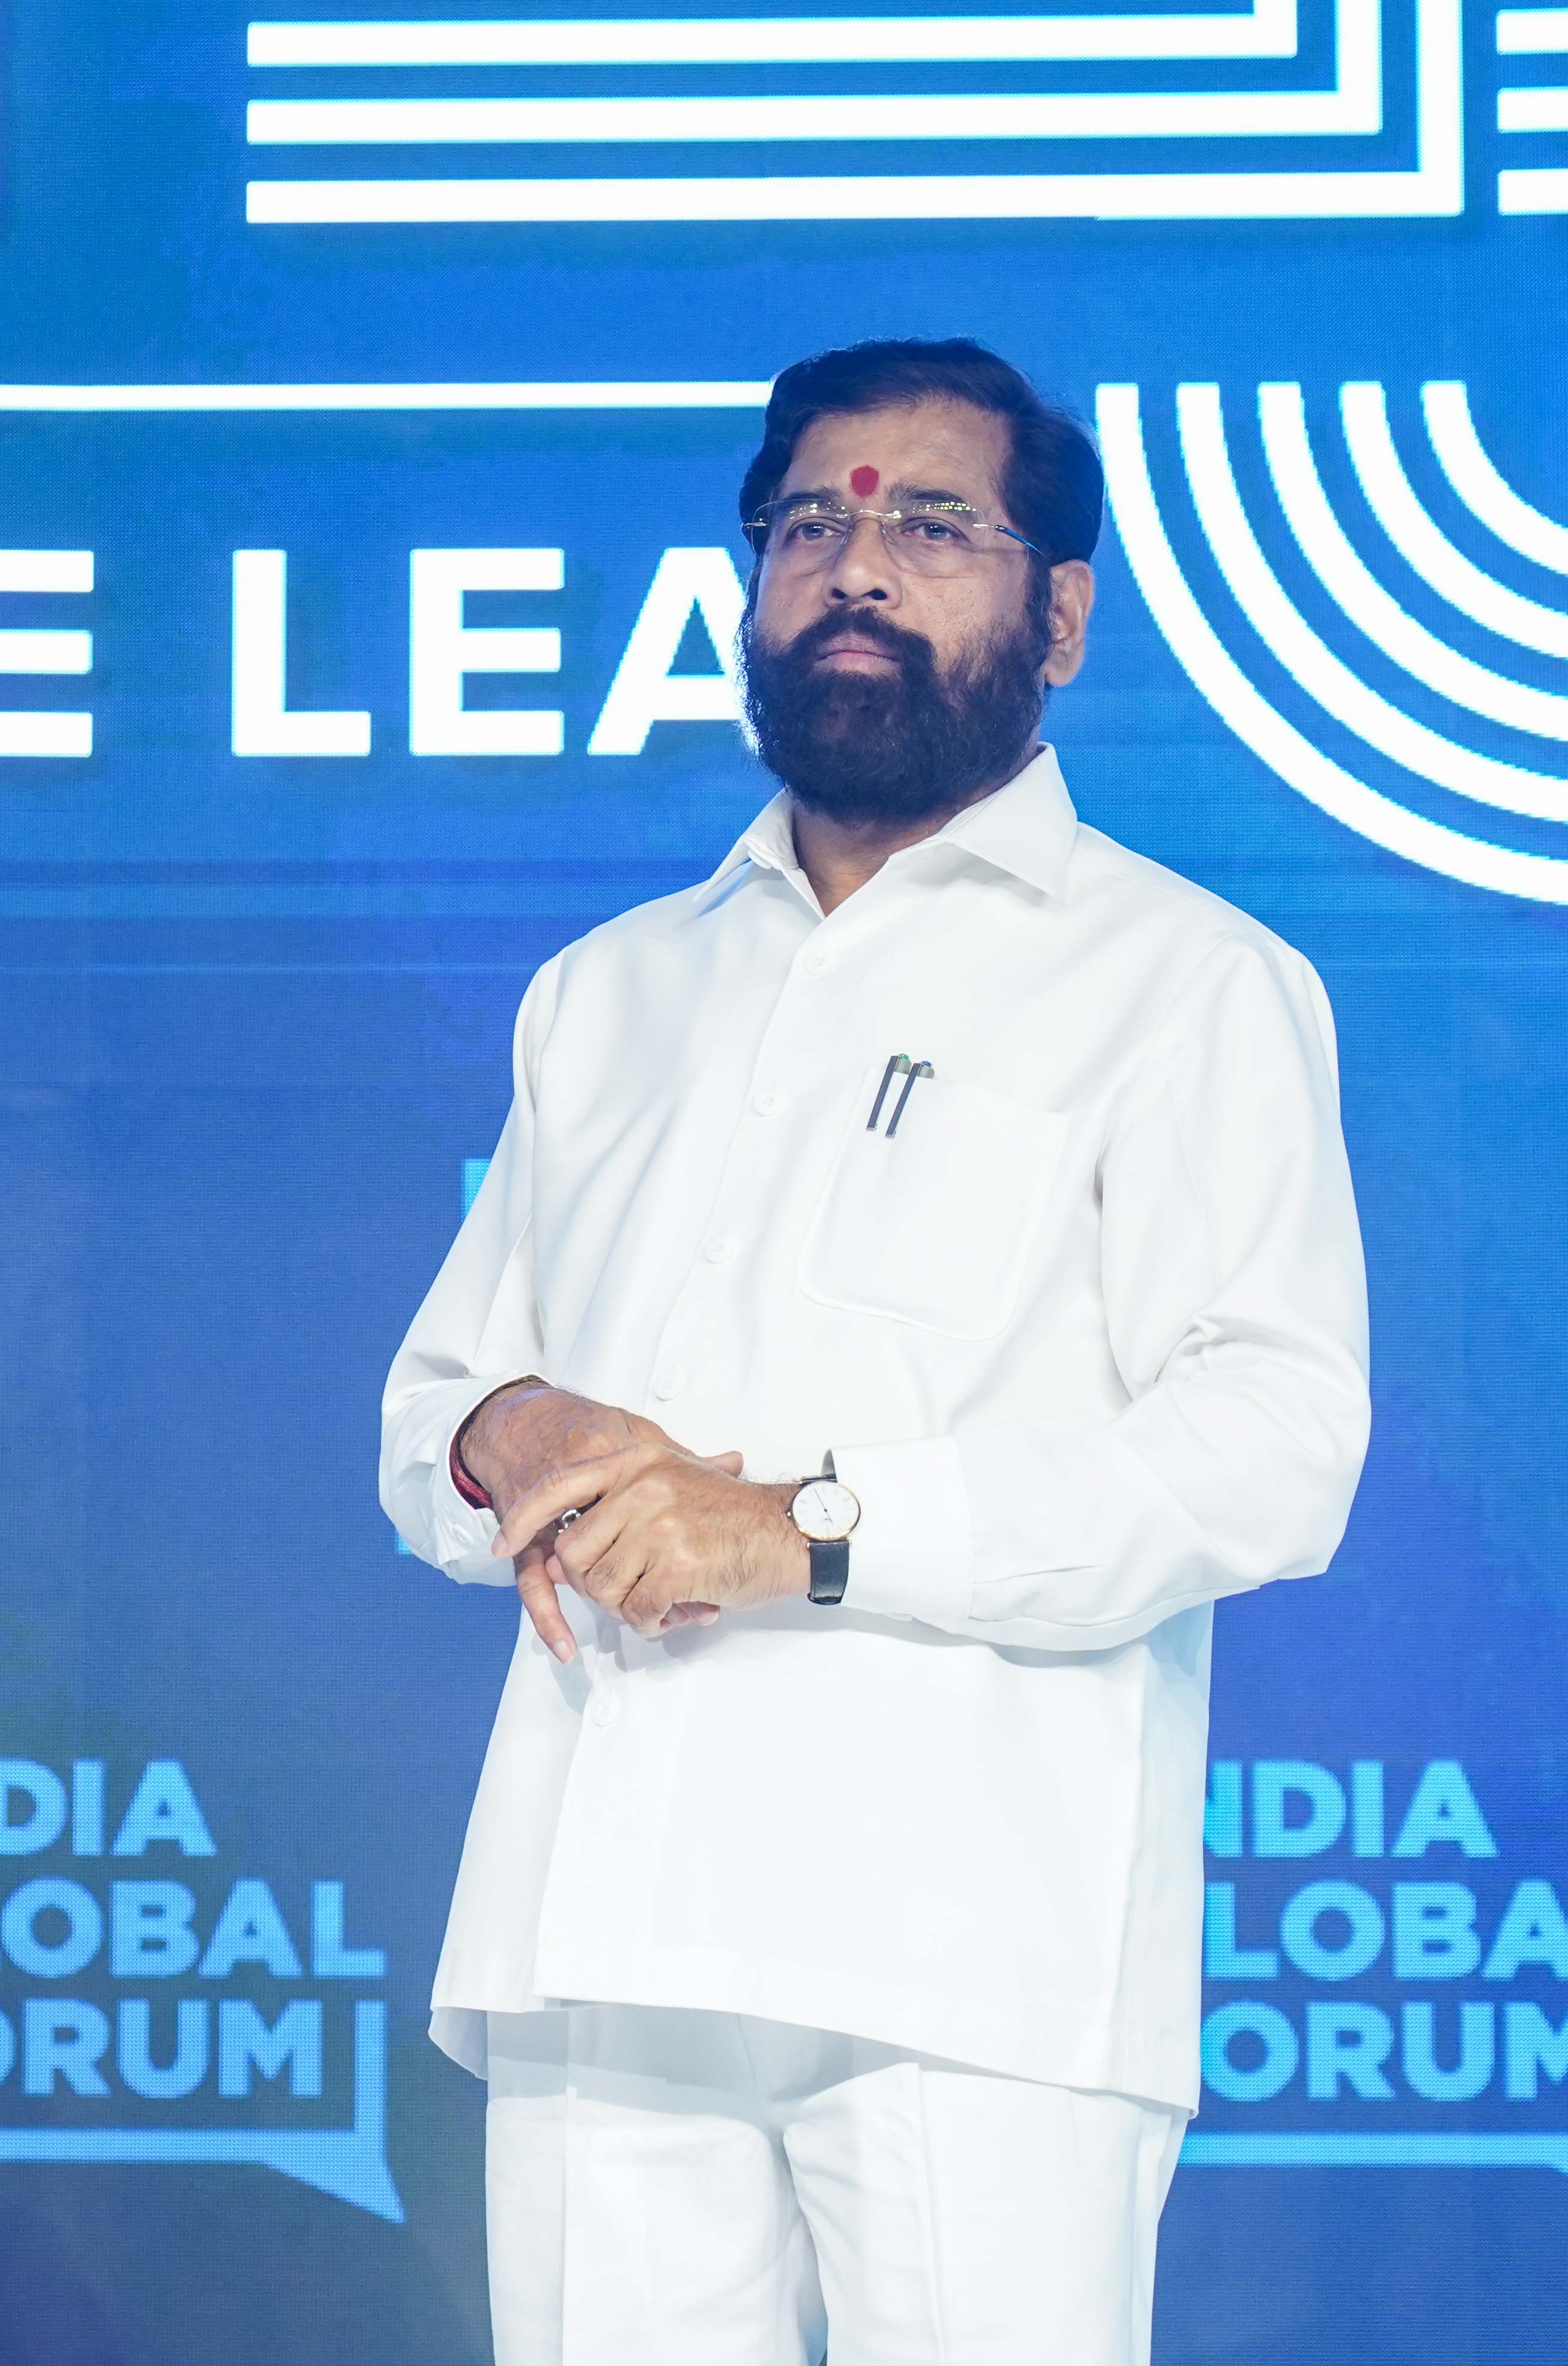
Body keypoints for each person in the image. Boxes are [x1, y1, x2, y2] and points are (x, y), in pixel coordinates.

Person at [380, 338, 1369, 2366]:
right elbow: (431, 1419)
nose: (855, 567)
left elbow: (1275, 1444)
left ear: (1060, 617)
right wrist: (513, 1431)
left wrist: (808, 1527)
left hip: (972, 1946)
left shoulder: (1187, 981)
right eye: (806, 527)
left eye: (932, 526)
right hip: (597, 1924)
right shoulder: (610, 990)